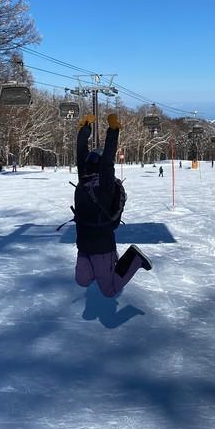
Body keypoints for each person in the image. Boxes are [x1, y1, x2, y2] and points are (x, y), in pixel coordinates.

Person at [73, 113, 151, 298]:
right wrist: (84, 130)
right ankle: (107, 269)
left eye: (92, 162)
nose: (88, 163)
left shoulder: (105, 185)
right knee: (82, 280)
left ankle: (135, 258)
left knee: (109, 291)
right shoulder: (84, 180)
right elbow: (80, 153)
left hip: (102, 246)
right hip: (83, 244)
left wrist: (113, 131)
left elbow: (108, 159)